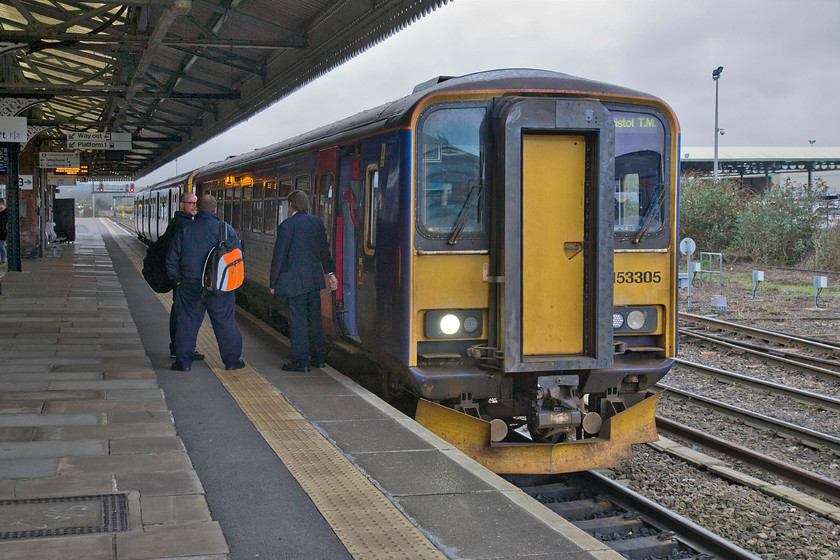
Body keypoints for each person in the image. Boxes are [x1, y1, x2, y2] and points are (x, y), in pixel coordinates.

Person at [166, 194, 245, 372]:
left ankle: (184, 363)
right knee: (225, 323)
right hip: (220, 286)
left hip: (190, 286)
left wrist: (177, 280)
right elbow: (238, 259)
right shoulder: (225, 230)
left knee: (186, 323)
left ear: (198, 209)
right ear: (215, 209)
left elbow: (171, 259)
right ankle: (232, 361)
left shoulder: (186, 229)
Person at [269, 189, 338, 372]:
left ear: (291, 205)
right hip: (314, 281)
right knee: (315, 320)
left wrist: (273, 283)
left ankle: (301, 362)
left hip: (295, 282)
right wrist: (331, 274)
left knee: (298, 321)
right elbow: (324, 250)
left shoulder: (287, 226)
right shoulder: (317, 222)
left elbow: (279, 257)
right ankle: (318, 358)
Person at [159, 192, 204, 361]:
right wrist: (177, 278)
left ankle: (179, 347)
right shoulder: (183, 225)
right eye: (190, 203)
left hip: (181, 277)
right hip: (183, 279)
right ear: (181, 205)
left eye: (196, 203)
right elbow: (175, 255)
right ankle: (181, 349)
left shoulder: (181, 222)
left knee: (180, 313)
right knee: (184, 315)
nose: (194, 206)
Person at [0, 198, 7, 265]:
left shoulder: (6, 212)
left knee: (1, 245)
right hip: (1, 230)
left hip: (2, 231)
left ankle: (4, 259)